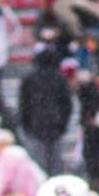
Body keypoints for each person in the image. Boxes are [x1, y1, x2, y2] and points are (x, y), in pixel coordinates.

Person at [18, 47, 72, 175]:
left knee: (39, 164)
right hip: (55, 124)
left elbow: (23, 103)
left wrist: (26, 123)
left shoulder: (29, 78)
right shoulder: (59, 78)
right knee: (55, 163)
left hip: (35, 124)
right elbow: (67, 104)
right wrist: (63, 123)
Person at [0, 130, 47, 196]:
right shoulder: (18, 152)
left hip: (21, 194)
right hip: (32, 191)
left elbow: (7, 180)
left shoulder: (7, 155)